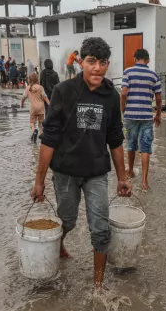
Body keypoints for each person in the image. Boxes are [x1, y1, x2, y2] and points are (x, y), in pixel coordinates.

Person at [31, 37, 131, 291]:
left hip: (97, 172)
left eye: (103, 63)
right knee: (68, 220)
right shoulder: (63, 92)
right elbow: (49, 138)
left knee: (100, 229)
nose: (97, 68)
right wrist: (39, 181)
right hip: (65, 172)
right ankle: (59, 247)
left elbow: (115, 139)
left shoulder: (111, 96)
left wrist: (122, 177)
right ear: (81, 63)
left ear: (108, 65)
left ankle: (98, 287)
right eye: (91, 62)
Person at [121, 48, 163, 191]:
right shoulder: (154, 75)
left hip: (130, 116)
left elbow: (123, 94)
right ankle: (144, 182)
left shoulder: (128, 72)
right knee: (146, 148)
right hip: (146, 116)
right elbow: (158, 98)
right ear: (148, 60)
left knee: (131, 144)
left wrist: (123, 111)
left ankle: (131, 171)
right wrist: (158, 114)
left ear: (134, 58)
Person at [21, 72, 49, 142]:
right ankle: (42, 138)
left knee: (32, 123)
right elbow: (45, 97)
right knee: (41, 124)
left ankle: (34, 131)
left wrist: (22, 104)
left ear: (29, 80)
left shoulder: (28, 88)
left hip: (33, 108)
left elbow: (24, 97)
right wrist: (49, 104)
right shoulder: (40, 87)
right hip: (41, 108)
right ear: (37, 79)